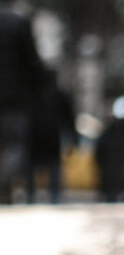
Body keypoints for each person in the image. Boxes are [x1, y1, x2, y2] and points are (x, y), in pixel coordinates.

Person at [0, 0, 45, 204]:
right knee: (15, 145)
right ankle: (3, 183)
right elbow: (32, 61)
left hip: (13, 96)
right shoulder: (19, 21)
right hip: (13, 97)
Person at [25, 69, 77, 204]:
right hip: (43, 138)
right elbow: (70, 119)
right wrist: (72, 140)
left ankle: (41, 197)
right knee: (46, 167)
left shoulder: (34, 94)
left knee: (46, 168)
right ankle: (48, 197)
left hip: (39, 138)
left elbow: (69, 119)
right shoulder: (35, 95)